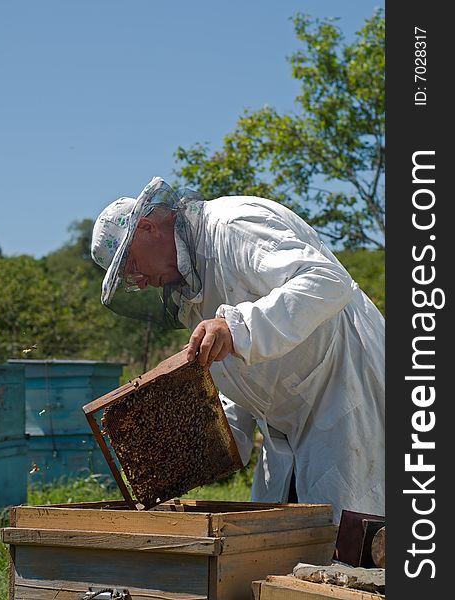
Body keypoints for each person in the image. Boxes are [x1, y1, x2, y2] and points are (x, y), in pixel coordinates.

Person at [91, 176, 385, 523]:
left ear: (147, 228)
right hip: (285, 427)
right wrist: (208, 440)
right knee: (275, 542)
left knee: (350, 545)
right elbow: (237, 372)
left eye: (131, 266)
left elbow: (328, 281)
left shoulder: (234, 225)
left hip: (346, 389)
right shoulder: (191, 292)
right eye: (128, 279)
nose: (138, 281)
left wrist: (237, 326)